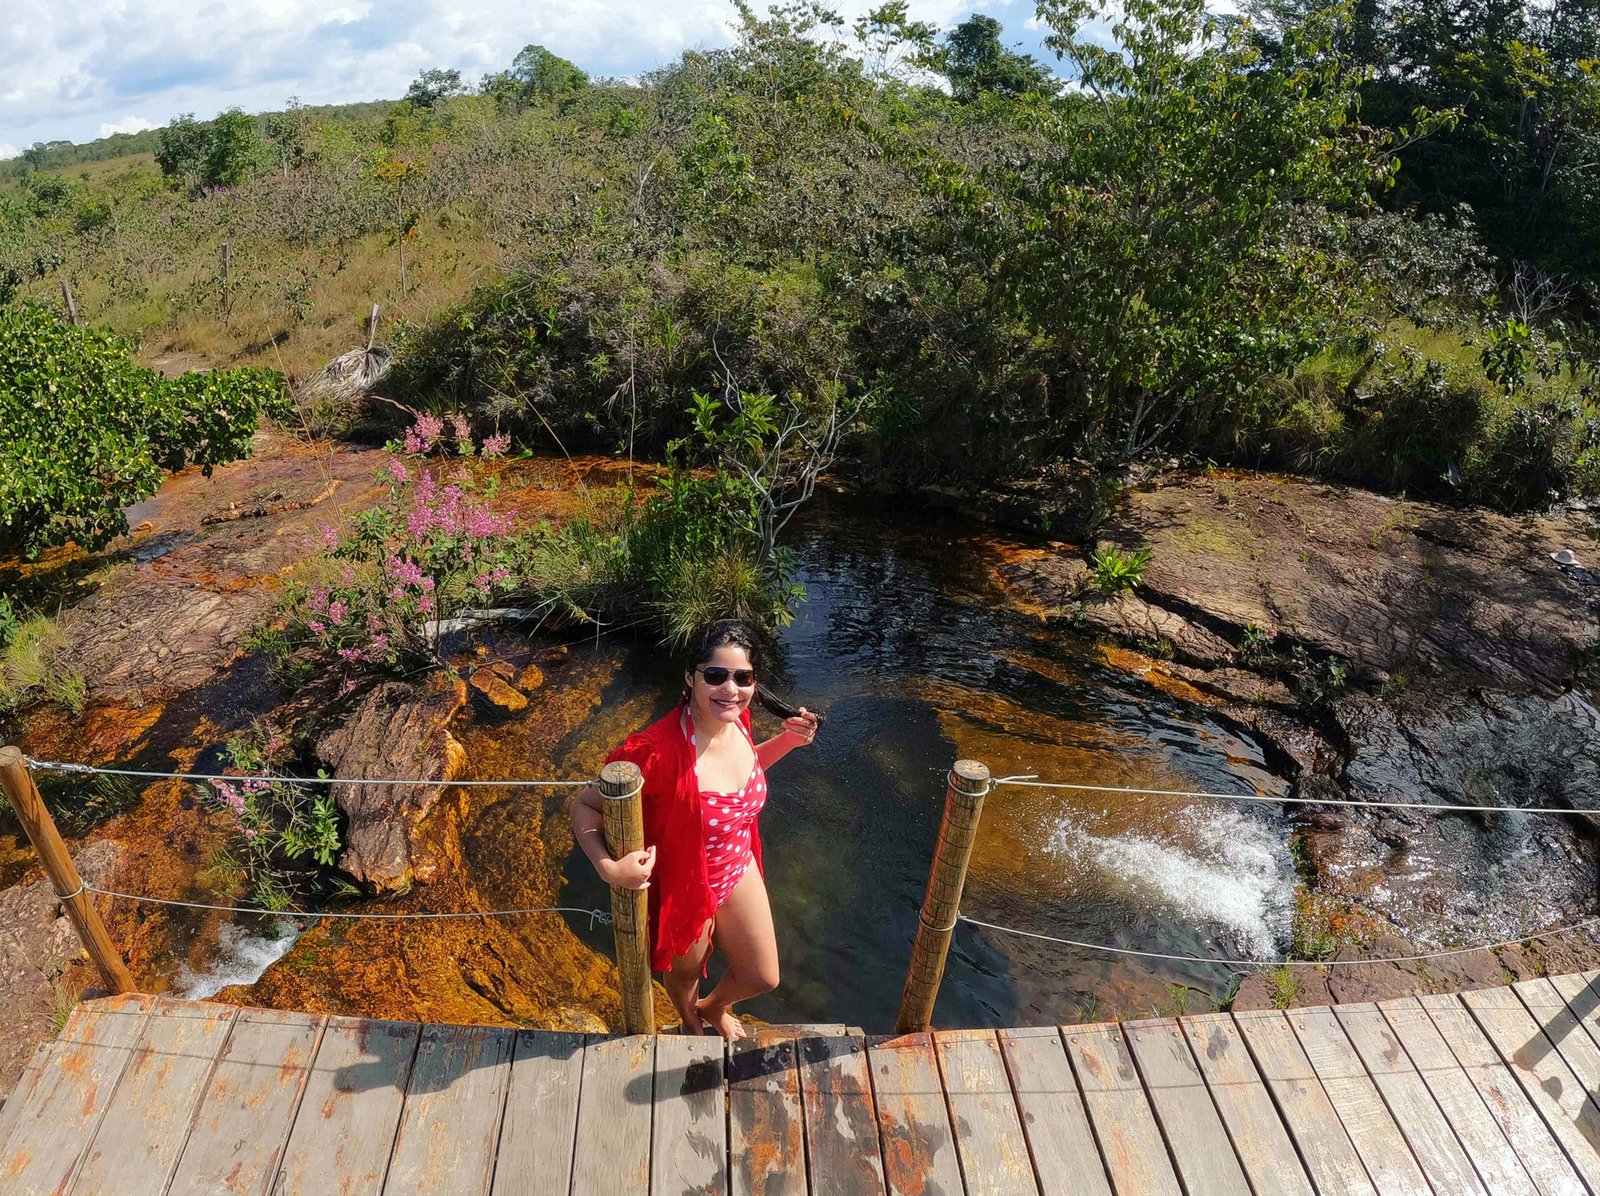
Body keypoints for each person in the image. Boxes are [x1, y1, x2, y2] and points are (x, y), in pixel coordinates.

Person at [570, 619, 819, 1039]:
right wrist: (609, 869)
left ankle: (713, 1006)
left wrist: (788, 742)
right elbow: (584, 806)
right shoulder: (653, 751)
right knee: (685, 975)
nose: (730, 689)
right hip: (684, 882)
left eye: (743, 677)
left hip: (736, 866)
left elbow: (742, 776)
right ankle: (691, 1025)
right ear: (691, 677)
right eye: (716, 675)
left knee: (762, 976)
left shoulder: (736, 722)